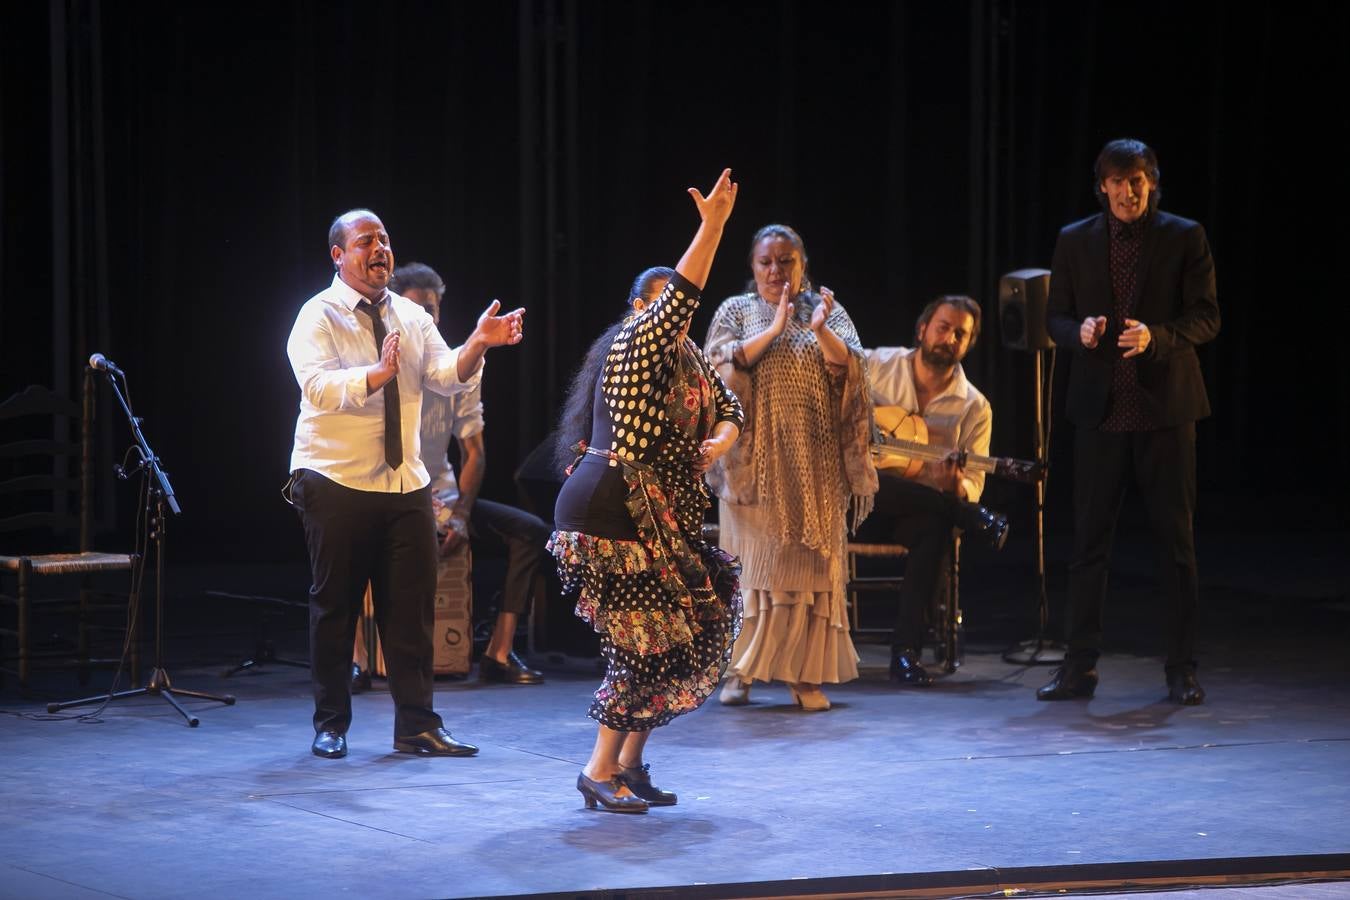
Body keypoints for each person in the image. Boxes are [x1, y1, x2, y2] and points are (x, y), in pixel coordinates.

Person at [286, 208, 524, 759]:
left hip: (404, 483)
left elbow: (445, 376)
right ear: (338, 255)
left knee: (412, 609)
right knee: (335, 607)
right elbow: (317, 387)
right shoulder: (316, 316)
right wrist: (376, 376)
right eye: (366, 240)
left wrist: (479, 344)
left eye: (385, 239)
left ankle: (417, 724)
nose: (380, 249)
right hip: (336, 479)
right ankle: (331, 723)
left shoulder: (411, 317)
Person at [550, 168, 742, 814]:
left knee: (686, 634)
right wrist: (711, 229)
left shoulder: (689, 362)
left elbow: (730, 406)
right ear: (641, 311)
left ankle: (629, 765)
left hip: (657, 519)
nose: (676, 322)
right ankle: (597, 769)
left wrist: (719, 438)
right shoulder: (635, 345)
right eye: (665, 310)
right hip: (612, 511)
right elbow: (684, 295)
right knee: (640, 642)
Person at [1039, 139, 1220, 706]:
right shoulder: (1076, 240)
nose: (1128, 191)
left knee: (1176, 544)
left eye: (1137, 179)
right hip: (1100, 411)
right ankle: (1079, 668)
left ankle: (1181, 668)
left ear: (1152, 182)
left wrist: (1157, 337)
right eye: (1117, 181)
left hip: (1164, 411)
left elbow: (1207, 316)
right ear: (1103, 186)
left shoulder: (1183, 235)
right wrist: (1080, 332)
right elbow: (1056, 318)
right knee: (1089, 544)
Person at [705, 224, 878, 712]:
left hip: (815, 467)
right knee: (752, 575)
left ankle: (803, 676)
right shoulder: (736, 312)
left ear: (803, 266)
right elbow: (716, 370)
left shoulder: (827, 312)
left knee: (806, 576)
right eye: (767, 262)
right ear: (752, 267)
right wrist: (774, 330)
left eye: (787, 261)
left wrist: (819, 328)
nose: (776, 271)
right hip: (753, 470)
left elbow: (854, 372)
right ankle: (741, 671)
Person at [389, 262, 549, 685]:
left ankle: (499, 651)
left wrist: (460, 513)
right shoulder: (386, 367)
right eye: (419, 308)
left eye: (434, 308)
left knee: (530, 531)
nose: (429, 317)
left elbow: (474, 452)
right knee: (357, 537)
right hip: (395, 496)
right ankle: (362, 654)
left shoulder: (461, 365)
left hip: (444, 499)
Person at [863, 296, 1008, 687]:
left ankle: (905, 653)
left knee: (936, 524)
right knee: (882, 484)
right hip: (857, 504)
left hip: (912, 515)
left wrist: (954, 486)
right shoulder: (875, 366)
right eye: (943, 327)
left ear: (969, 344)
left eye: (960, 334)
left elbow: (972, 485)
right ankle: (974, 521)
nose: (949, 338)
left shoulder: (975, 407)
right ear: (922, 329)